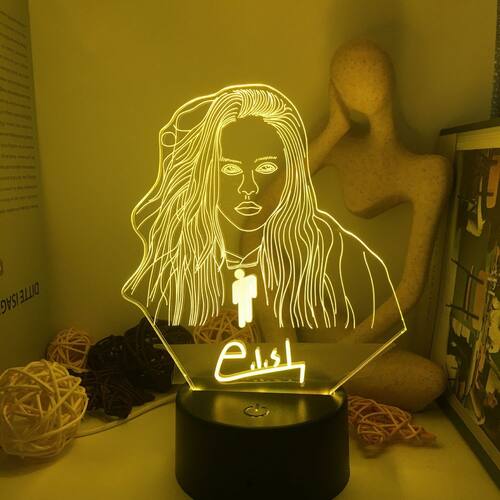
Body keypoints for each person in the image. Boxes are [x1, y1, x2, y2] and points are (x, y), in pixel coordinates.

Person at [122, 84, 405, 347]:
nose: (248, 187)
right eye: (230, 169)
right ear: (202, 174)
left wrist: (334, 130)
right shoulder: (177, 266)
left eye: (265, 169)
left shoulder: (325, 247)